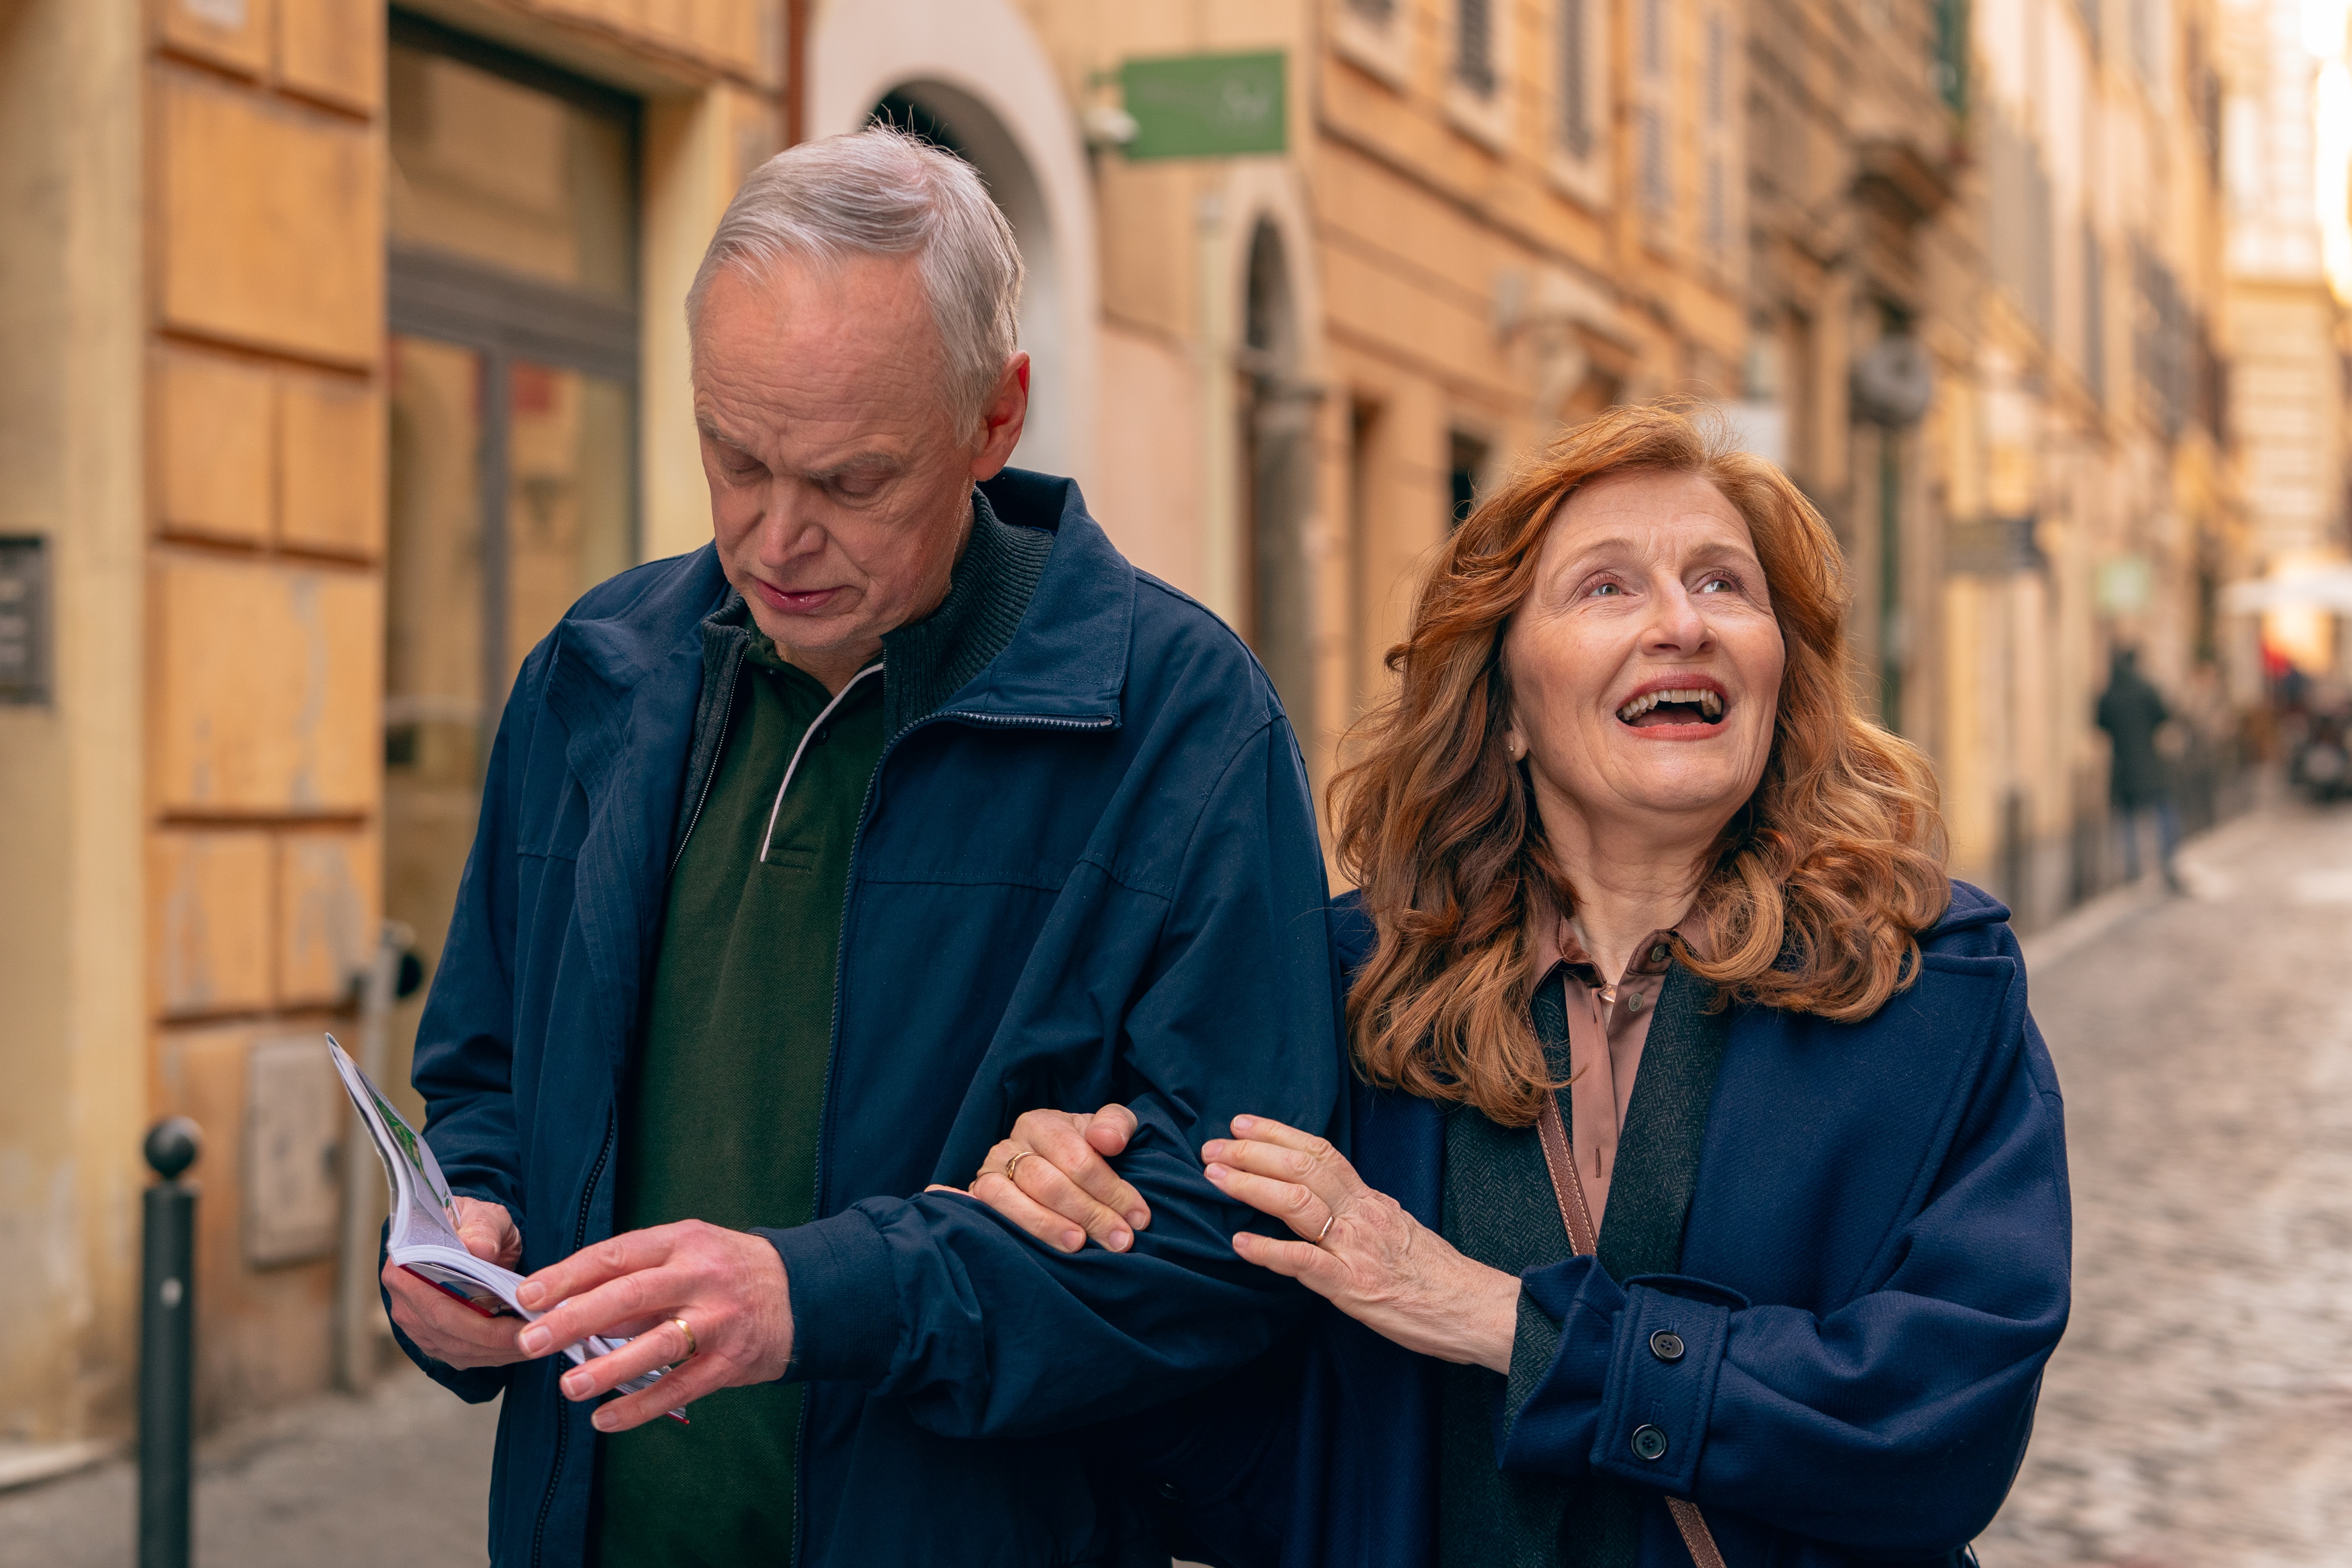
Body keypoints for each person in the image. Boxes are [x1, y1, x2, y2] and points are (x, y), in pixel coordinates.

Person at [382, 128, 1342, 1567]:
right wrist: (453, 1245)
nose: (778, 535)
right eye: (734, 456)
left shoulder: (1181, 721)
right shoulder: (590, 674)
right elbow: (482, 1081)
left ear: (994, 417)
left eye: (849, 479)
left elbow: (1236, 1244)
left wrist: (814, 1295)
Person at [967, 405, 2072, 1568]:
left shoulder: (1927, 982)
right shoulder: (1344, 989)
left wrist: (1497, 1320)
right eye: (1604, 588)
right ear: (1498, 709)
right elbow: (1224, 1424)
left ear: (1778, 672)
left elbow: (1935, 1430)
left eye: (1721, 584)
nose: (1679, 622)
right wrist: (1077, 1207)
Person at [2095, 644, 2180, 888]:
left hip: (2122, 765)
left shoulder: (2109, 693)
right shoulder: (2146, 689)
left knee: (2128, 818)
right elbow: (2164, 716)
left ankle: (2133, 870)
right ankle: (2168, 863)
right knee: (2163, 810)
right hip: (2149, 762)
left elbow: (2100, 724)